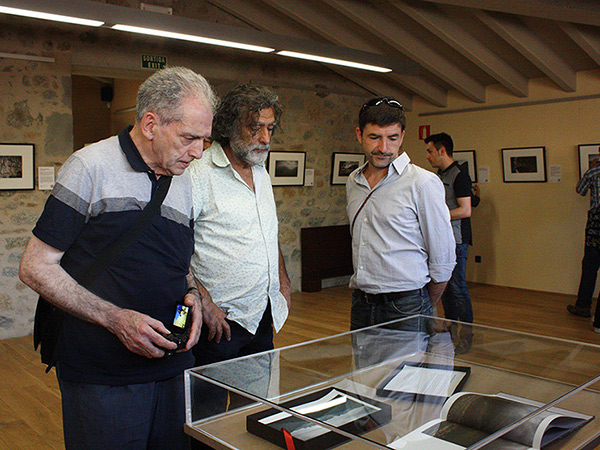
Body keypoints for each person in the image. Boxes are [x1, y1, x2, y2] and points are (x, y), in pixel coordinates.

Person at [19, 66, 217, 449]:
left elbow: (177, 260)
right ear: (149, 124)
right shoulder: (89, 167)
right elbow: (35, 267)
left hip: (173, 364)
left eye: (205, 140)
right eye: (189, 137)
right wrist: (115, 319)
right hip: (102, 372)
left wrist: (194, 295)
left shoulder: (186, 179)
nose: (197, 152)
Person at [189, 84, 291, 370]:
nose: (265, 138)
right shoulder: (198, 174)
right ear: (229, 126)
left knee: (256, 406)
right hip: (219, 321)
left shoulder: (261, 172)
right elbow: (175, 249)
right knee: (210, 411)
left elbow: (268, 234)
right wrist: (205, 303)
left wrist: (282, 285)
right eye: (255, 128)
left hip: (262, 314)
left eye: (270, 128)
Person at [346, 97, 455, 335]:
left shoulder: (422, 183)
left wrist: (426, 304)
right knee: (364, 372)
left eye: (392, 138)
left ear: (402, 137)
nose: (384, 148)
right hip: (361, 302)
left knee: (408, 373)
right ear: (359, 134)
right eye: (374, 137)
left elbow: (444, 259)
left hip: (407, 304)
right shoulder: (353, 181)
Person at [425, 132, 474, 353]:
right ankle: (450, 327)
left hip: (457, 240)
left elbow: (465, 210)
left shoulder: (460, 175)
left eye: (430, 151)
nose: (428, 156)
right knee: (444, 286)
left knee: (458, 287)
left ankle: (467, 334)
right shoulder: (439, 175)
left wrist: (436, 214)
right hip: (442, 239)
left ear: (442, 150)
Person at [568, 152, 600, 332]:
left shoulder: (594, 171)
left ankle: (583, 306)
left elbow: (580, 190)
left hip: (596, 223)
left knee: (590, 266)